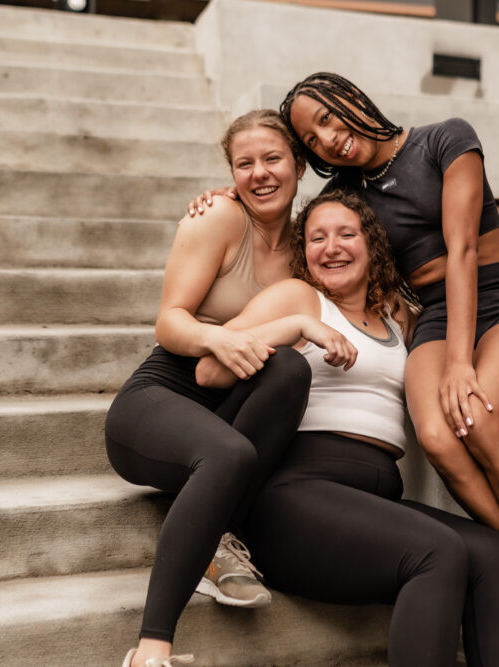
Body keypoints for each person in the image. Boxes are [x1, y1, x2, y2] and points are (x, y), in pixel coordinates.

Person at [188, 72, 499, 667]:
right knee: (440, 438)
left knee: (482, 419)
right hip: (436, 320)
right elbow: (294, 220)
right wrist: (229, 196)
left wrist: (461, 363)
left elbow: (462, 249)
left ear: (354, 100)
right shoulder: (348, 190)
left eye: (332, 118)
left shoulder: (445, 139)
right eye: (314, 138)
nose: (330, 139)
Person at [196, 189, 499, 666]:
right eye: (316, 238)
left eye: (345, 234)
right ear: (304, 252)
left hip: (373, 499)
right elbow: (209, 371)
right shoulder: (299, 298)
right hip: (295, 498)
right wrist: (297, 327)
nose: (331, 247)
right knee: (437, 553)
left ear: (372, 245)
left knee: (495, 551)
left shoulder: (400, 316)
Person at [106, 110, 347, 667]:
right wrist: (215, 342)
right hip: (157, 404)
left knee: (290, 371)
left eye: (272, 159)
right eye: (244, 163)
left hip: (227, 409)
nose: (259, 174)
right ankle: (150, 650)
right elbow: (169, 321)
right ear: (230, 172)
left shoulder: (306, 245)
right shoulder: (218, 216)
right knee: (230, 451)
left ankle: (220, 532)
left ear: (298, 164)